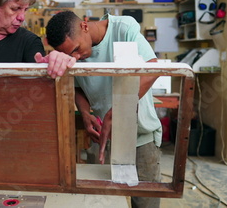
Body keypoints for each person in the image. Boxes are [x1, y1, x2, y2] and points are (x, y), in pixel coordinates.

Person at [45, 10, 162, 208]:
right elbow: (78, 87)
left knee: (145, 202)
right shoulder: (74, 56)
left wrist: (118, 111)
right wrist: (85, 113)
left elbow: (153, 69)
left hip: (142, 139)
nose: (76, 57)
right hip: (104, 140)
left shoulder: (123, 29)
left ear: (84, 26)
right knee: (103, 202)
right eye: (69, 55)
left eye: (76, 49)